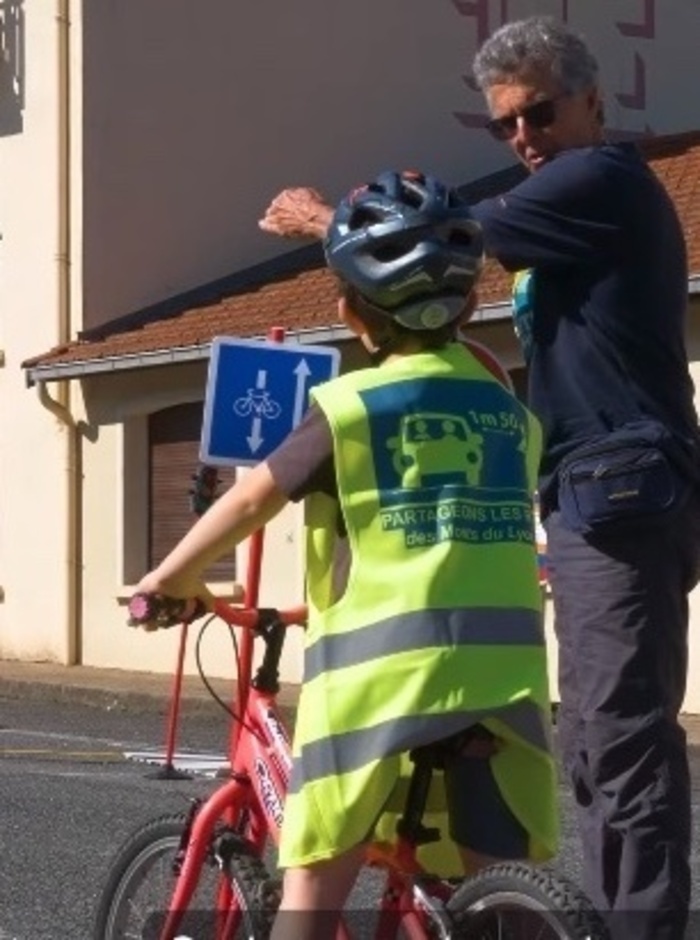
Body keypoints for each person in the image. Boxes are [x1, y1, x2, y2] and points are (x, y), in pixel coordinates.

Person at [258, 16, 700, 940]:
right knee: (589, 742)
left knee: (620, 745)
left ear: (591, 102)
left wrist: (320, 221)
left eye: (539, 113)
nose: (525, 138)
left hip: (620, 489)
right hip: (591, 495)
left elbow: (440, 232)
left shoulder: (602, 181)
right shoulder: (572, 194)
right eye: (505, 125)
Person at [136, 170, 558, 939]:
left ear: (347, 313)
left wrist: (170, 577)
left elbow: (250, 499)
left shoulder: (351, 409)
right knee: (496, 890)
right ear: (469, 306)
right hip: (505, 685)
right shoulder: (508, 410)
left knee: (317, 881)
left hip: (379, 685)